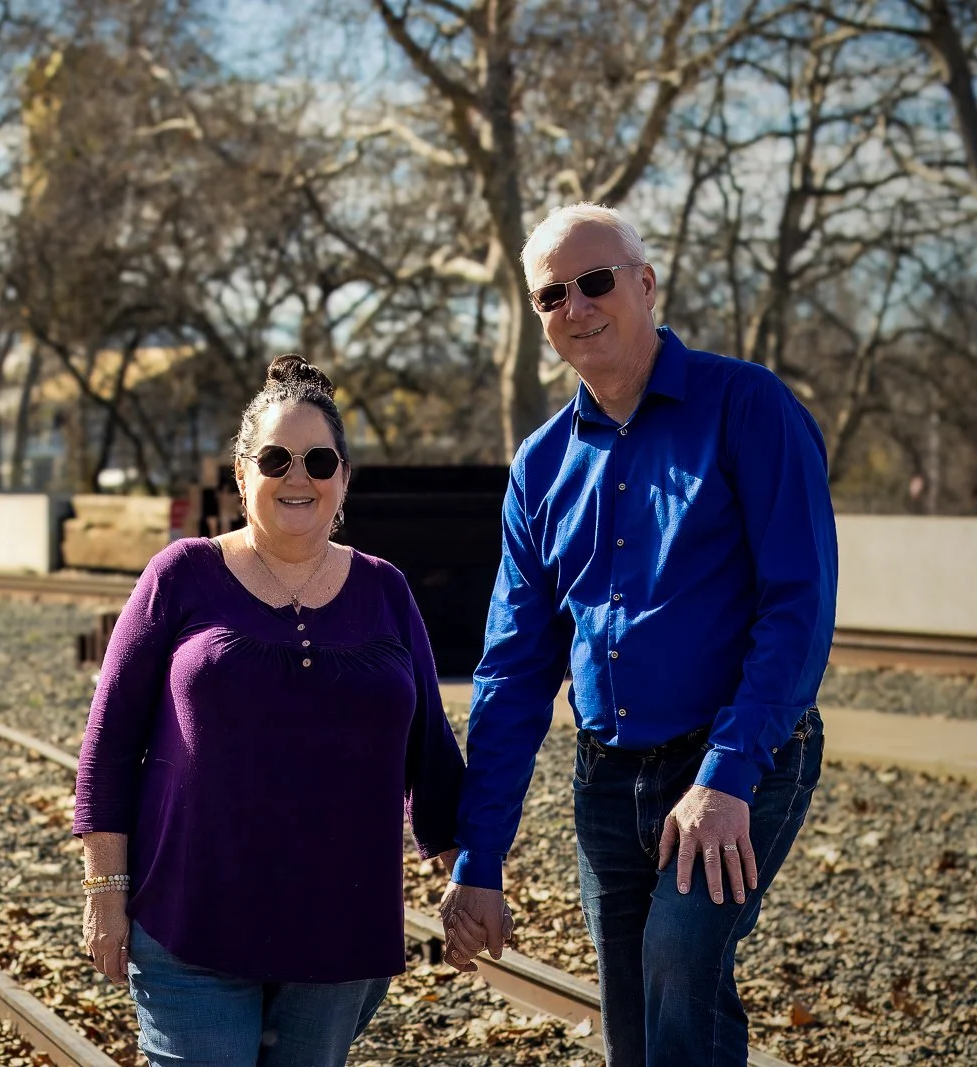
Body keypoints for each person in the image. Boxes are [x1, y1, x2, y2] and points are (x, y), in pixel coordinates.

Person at [437, 203, 837, 1066]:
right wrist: (481, 857)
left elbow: (798, 608)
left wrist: (727, 775)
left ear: (645, 284)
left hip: (739, 760)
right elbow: (511, 670)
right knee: (633, 1025)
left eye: (596, 282)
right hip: (608, 782)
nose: (576, 307)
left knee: (678, 961)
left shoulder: (748, 407)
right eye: (552, 295)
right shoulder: (541, 467)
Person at [73, 354, 467, 1067]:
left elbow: (431, 755)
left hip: (340, 932)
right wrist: (105, 889)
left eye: (320, 459)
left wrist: (472, 878)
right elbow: (108, 738)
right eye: (276, 457)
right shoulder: (182, 574)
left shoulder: (385, 590)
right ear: (241, 472)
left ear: (344, 477)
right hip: (193, 918)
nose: (298, 475)